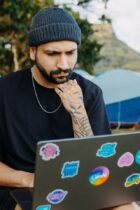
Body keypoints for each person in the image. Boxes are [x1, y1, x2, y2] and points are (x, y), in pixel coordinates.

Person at [0, 7, 139, 210]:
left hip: (84, 184)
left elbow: (98, 165)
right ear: (32, 52)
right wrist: (29, 179)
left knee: (128, 207)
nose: (64, 64)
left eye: (70, 53)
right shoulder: (5, 90)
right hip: (22, 188)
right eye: (52, 53)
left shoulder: (90, 93)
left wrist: (78, 112)